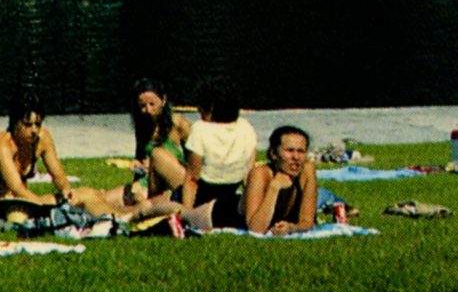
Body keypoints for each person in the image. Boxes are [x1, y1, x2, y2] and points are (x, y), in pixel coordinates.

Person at [0, 89, 78, 211]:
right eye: (27, 125)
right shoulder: (2, 142)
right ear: (15, 123)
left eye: (38, 124)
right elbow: (16, 187)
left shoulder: (42, 139)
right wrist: (42, 207)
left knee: (84, 195)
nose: (34, 130)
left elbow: (59, 177)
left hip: (19, 200)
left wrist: (66, 191)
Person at [174, 76, 258, 230]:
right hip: (229, 195)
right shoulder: (246, 127)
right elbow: (249, 175)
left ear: (210, 107)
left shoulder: (200, 129)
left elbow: (192, 179)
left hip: (202, 195)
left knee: (158, 158)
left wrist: (188, 215)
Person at [104, 77, 191, 209]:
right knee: (103, 199)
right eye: (142, 106)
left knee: (137, 203)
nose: (148, 110)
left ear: (163, 100)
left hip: (173, 182)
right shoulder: (143, 125)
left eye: (152, 104)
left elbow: (196, 162)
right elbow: (140, 157)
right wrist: (137, 165)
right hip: (147, 181)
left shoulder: (178, 124)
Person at [243, 124, 319, 235]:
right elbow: (255, 230)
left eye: (301, 151)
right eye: (289, 151)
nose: (296, 157)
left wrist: (291, 228)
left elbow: (307, 222)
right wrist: (274, 188)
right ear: (274, 153)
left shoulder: (307, 170)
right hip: (225, 214)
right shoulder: (261, 174)